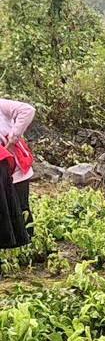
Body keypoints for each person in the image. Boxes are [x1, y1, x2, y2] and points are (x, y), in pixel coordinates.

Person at [0, 98, 36, 250]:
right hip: (3, 168)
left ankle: (27, 246)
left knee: (21, 207)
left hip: (15, 167)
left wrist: (13, 139)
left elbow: (28, 110)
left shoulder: (2, 105)